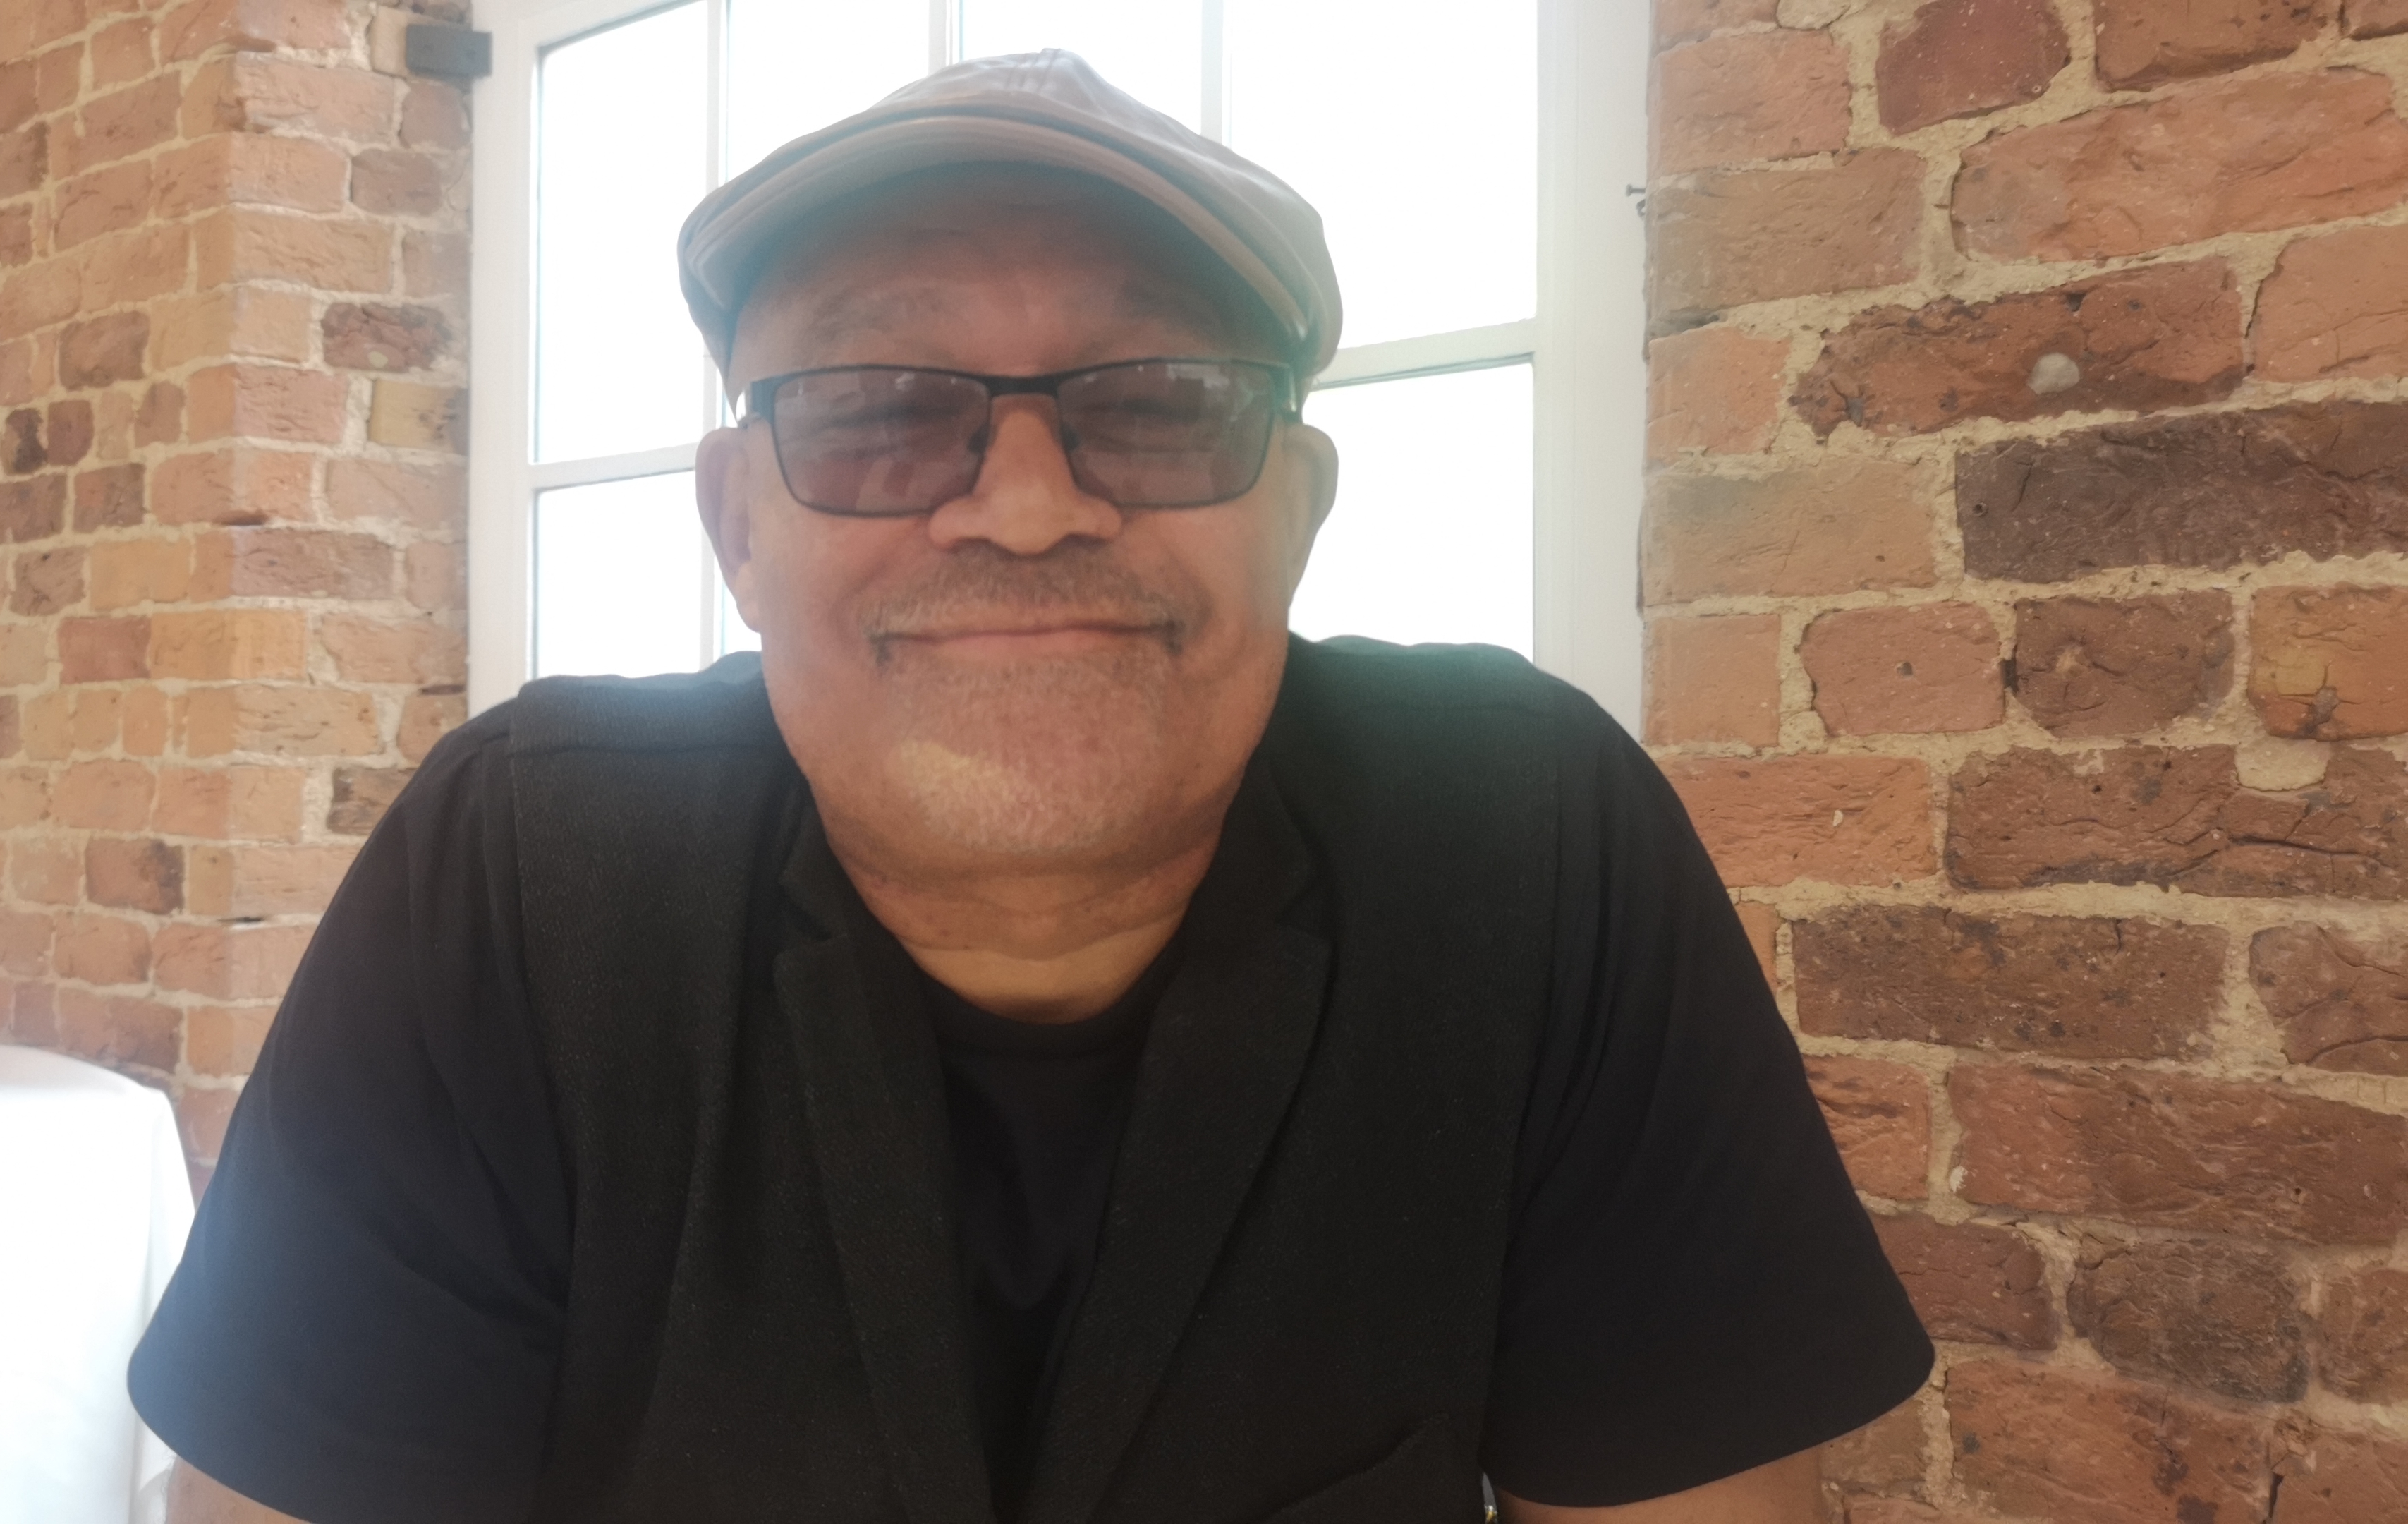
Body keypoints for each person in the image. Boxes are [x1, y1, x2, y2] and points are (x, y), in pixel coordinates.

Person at [130, 51, 1931, 1524]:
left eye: (1162, 397)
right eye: (874, 406)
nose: (1025, 501)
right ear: (736, 528)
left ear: (1300, 513)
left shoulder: (1526, 855)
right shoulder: (520, 886)